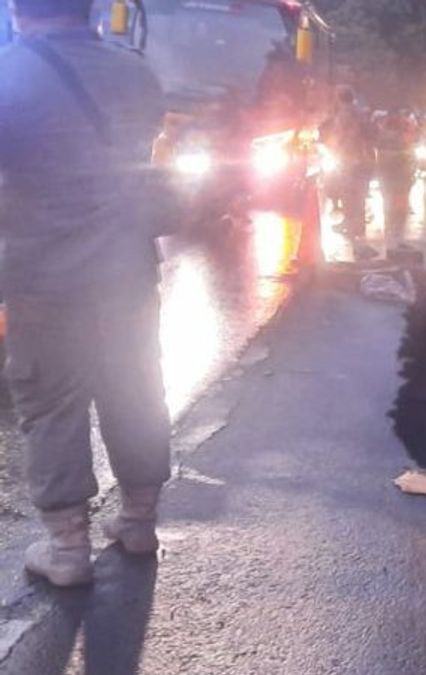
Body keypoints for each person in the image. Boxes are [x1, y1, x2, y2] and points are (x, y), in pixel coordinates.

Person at [0, 0, 177, 586]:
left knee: (51, 405)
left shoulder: (10, 74)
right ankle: (139, 521)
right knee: (135, 390)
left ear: (22, 12)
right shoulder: (136, 70)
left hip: (43, 280)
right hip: (126, 271)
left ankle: (68, 550)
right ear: (91, 10)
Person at [324, 86, 375, 242]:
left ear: (339, 98)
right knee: (359, 194)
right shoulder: (360, 113)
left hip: (348, 159)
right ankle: (358, 226)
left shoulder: (343, 116)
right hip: (363, 159)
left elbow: (338, 138)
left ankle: (350, 226)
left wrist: (332, 147)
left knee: (348, 195)